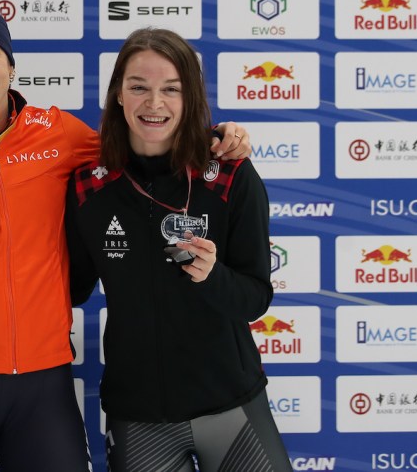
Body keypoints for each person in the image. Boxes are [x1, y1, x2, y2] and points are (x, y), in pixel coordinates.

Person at [0, 0, 251, 472]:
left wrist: (218, 135)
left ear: (11, 66)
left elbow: (144, 145)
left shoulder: (58, 134)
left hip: (43, 379)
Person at [66, 27, 290, 472]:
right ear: (117, 95)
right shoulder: (89, 187)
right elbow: (71, 288)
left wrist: (213, 276)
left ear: (190, 98)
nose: (155, 103)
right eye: (139, 88)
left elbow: (255, 298)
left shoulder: (230, 175)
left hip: (230, 402)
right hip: (139, 414)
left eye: (172, 89)